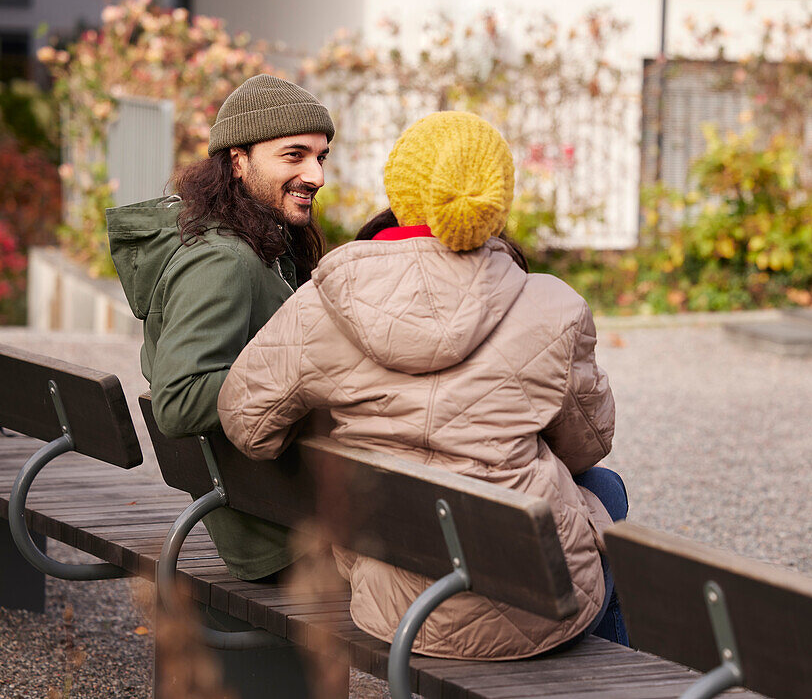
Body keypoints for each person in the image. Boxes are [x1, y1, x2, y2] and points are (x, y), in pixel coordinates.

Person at [217, 110, 629, 658]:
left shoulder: (324, 299)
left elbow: (247, 425)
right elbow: (588, 447)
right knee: (607, 491)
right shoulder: (553, 305)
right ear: (496, 198)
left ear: (403, 191)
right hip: (537, 608)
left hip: (394, 603)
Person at [106, 74, 334, 582]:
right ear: (237, 161)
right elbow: (180, 398)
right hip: (282, 539)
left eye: (321, 157)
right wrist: (312, 372)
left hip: (267, 511)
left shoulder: (252, 243)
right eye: (294, 156)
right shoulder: (221, 260)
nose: (316, 175)